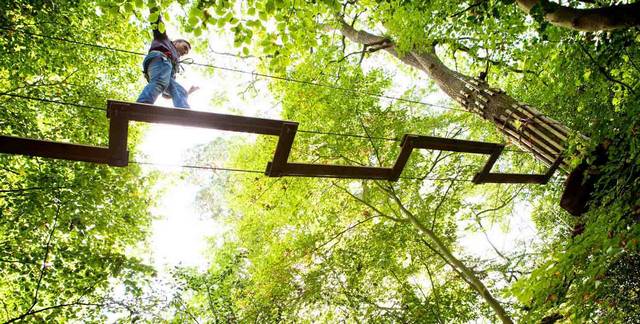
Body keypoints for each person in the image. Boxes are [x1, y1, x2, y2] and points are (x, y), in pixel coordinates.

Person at [136, 10, 198, 108]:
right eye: (185, 47)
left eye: (186, 53)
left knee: (179, 90)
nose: (185, 52)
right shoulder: (164, 40)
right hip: (160, 59)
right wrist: (154, 8)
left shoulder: (174, 64)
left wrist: (189, 92)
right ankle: (143, 104)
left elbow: (166, 95)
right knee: (159, 81)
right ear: (176, 43)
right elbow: (157, 22)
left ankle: (184, 110)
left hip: (165, 67)